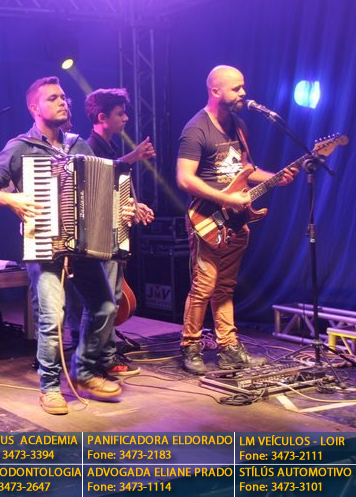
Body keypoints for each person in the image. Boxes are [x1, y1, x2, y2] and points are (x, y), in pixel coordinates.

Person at [0, 76, 134, 415]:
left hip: (82, 246)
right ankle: (49, 387)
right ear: (34, 107)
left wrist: (124, 208)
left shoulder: (78, 145)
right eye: (53, 98)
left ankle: (83, 371)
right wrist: (13, 199)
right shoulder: (20, 147)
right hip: (43, 243)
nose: (63, 101)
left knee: (105, 306)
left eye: (63, 96)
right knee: (52, 317)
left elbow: (104, 190)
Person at [176, 65, 296, 375]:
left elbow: (245, 169)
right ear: (215, 91)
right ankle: (191, 347)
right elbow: (185, 179)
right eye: (236, 88)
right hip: (206, 218)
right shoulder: (196, 129)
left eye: (243, 86)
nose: (244, 93)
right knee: (204, 285)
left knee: (226, 287)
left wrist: (276, 177)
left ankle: (229, 348)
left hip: (236, 220)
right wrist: (227, 199)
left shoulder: (239, 126)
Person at [80, 88, 156, 376]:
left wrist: (134, 204)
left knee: (111, 299)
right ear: (102, 117)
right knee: (105, 301)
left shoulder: (109, 147)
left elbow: (114, 190)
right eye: (120, 114)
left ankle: (106, 355)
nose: (125, 118)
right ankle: (102, 358)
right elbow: (100, 184)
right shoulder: (91, 147)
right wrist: (133, 157)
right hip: (102, 236)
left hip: (113, 233)